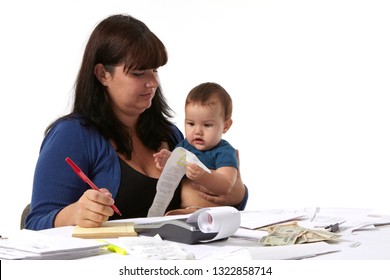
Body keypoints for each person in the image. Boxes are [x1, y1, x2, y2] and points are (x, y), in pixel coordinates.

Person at [25, 14, 248, 231]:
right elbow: (35, 224)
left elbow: (208, 207)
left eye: (154, 70)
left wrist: (237, 192)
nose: (153, 82)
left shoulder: (171, 134)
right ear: (103, 74)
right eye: (139, 73)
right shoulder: (72, 135)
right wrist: (73, 214)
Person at [154, 82, 238, 210]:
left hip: (214, 216)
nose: (197, 131)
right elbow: (175, 173)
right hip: (182, 213)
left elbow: (226, 185)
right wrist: (167, 161)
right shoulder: (184, 146)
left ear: (225, 126)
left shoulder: (224, 151)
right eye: (191, 123)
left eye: (207, 125)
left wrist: (204, 176)